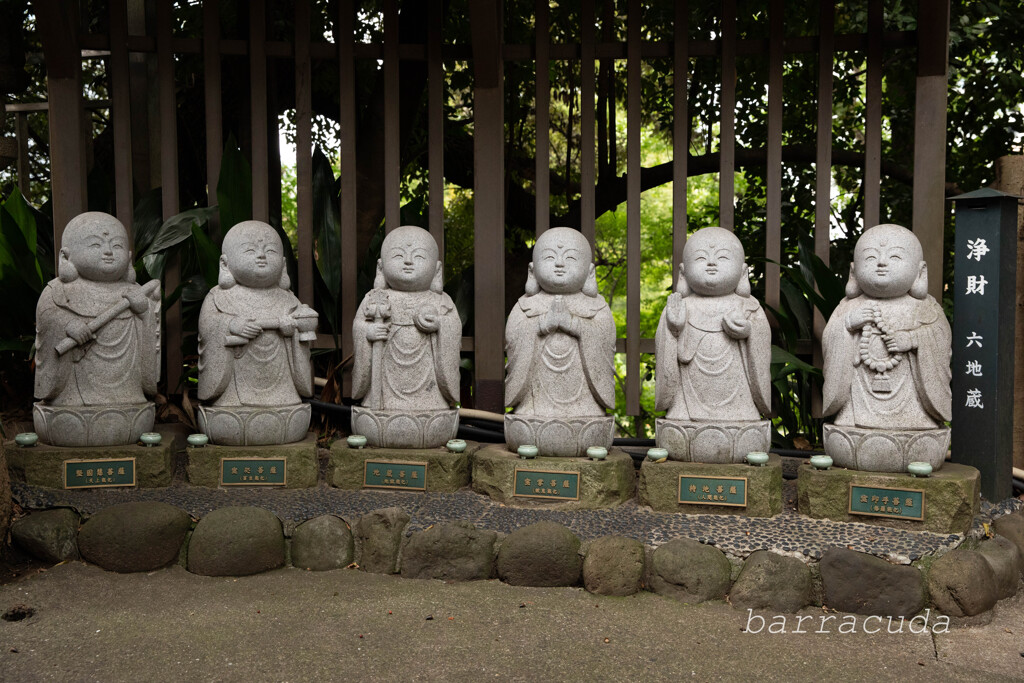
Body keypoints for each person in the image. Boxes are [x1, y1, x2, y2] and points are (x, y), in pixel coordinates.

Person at [823, 223, 951, 429]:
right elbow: (830, 339)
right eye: (871, 257)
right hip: (859, 401)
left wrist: (911, 339)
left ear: (920, 271)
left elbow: (940, 339)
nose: (881, 263)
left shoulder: (925, 308)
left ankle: (917, 423)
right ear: (853, 271)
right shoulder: (848, 307)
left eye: (895, 257)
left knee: (923, 439)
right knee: (843, 436)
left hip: (912, 404)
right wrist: (848, 323)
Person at [34, 212, 160, 410]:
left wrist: (144, 312)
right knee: (68, 420)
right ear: (66, 256)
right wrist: (68, 325)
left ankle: (127, 403)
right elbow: (47, 319)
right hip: (74, 396)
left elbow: (150, 332)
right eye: (96, 245)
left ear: (128, 257)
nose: (108, 251)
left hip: (128, 395)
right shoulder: (57, 291)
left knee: (135, 412)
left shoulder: (135, 291)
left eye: (117, 245)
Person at [198, 221, 317, 413]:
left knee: (292, 414)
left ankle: (283, 405)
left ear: (283, 264)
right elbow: (207, 326)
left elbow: (304, 328)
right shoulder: (218, 297)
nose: (261, 255)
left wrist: (292, 331)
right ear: (225, 263)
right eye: (250, 251)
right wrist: (231, 324)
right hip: (233, 394)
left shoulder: (289, 300)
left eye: (270, 251)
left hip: (282, 392)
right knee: (227, 417)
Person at [654, 226, 770, 422]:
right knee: (677, 426)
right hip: (686, 404)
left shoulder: (749, 308)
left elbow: (762, 345)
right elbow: (665, 349)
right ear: (683, 273)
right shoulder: (678, 306)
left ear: (743, 273)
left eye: (722, 257)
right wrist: (674, 329)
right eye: (700, 258)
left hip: (739, 405)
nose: (711, 263)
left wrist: (749, 332)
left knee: (746, 427)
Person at [504, 227, 615, 420]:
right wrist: (542, 325)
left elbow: (605, 342)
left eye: (570, 258)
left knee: (590, 425)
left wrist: (574, 325)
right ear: (532, 270)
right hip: (533, 410)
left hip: (586, 410)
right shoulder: (524, 307)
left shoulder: (598, 308)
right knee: (526, 424)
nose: (560, 264)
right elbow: (513, 342)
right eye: (549, 257)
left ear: (590, 272)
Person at [351, 225, 460, 413]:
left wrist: (440, 325)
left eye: (418, 257)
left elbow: (453, 327)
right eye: (398, 256)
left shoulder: (441, 302)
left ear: (437, 269)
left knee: (434, 418)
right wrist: (367, 332)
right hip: (383, 387)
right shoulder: (374, 298)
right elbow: (359, 326)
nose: (408, 262)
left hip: (429, 393)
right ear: (381, 267)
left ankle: (430, 407)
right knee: (372, 419)